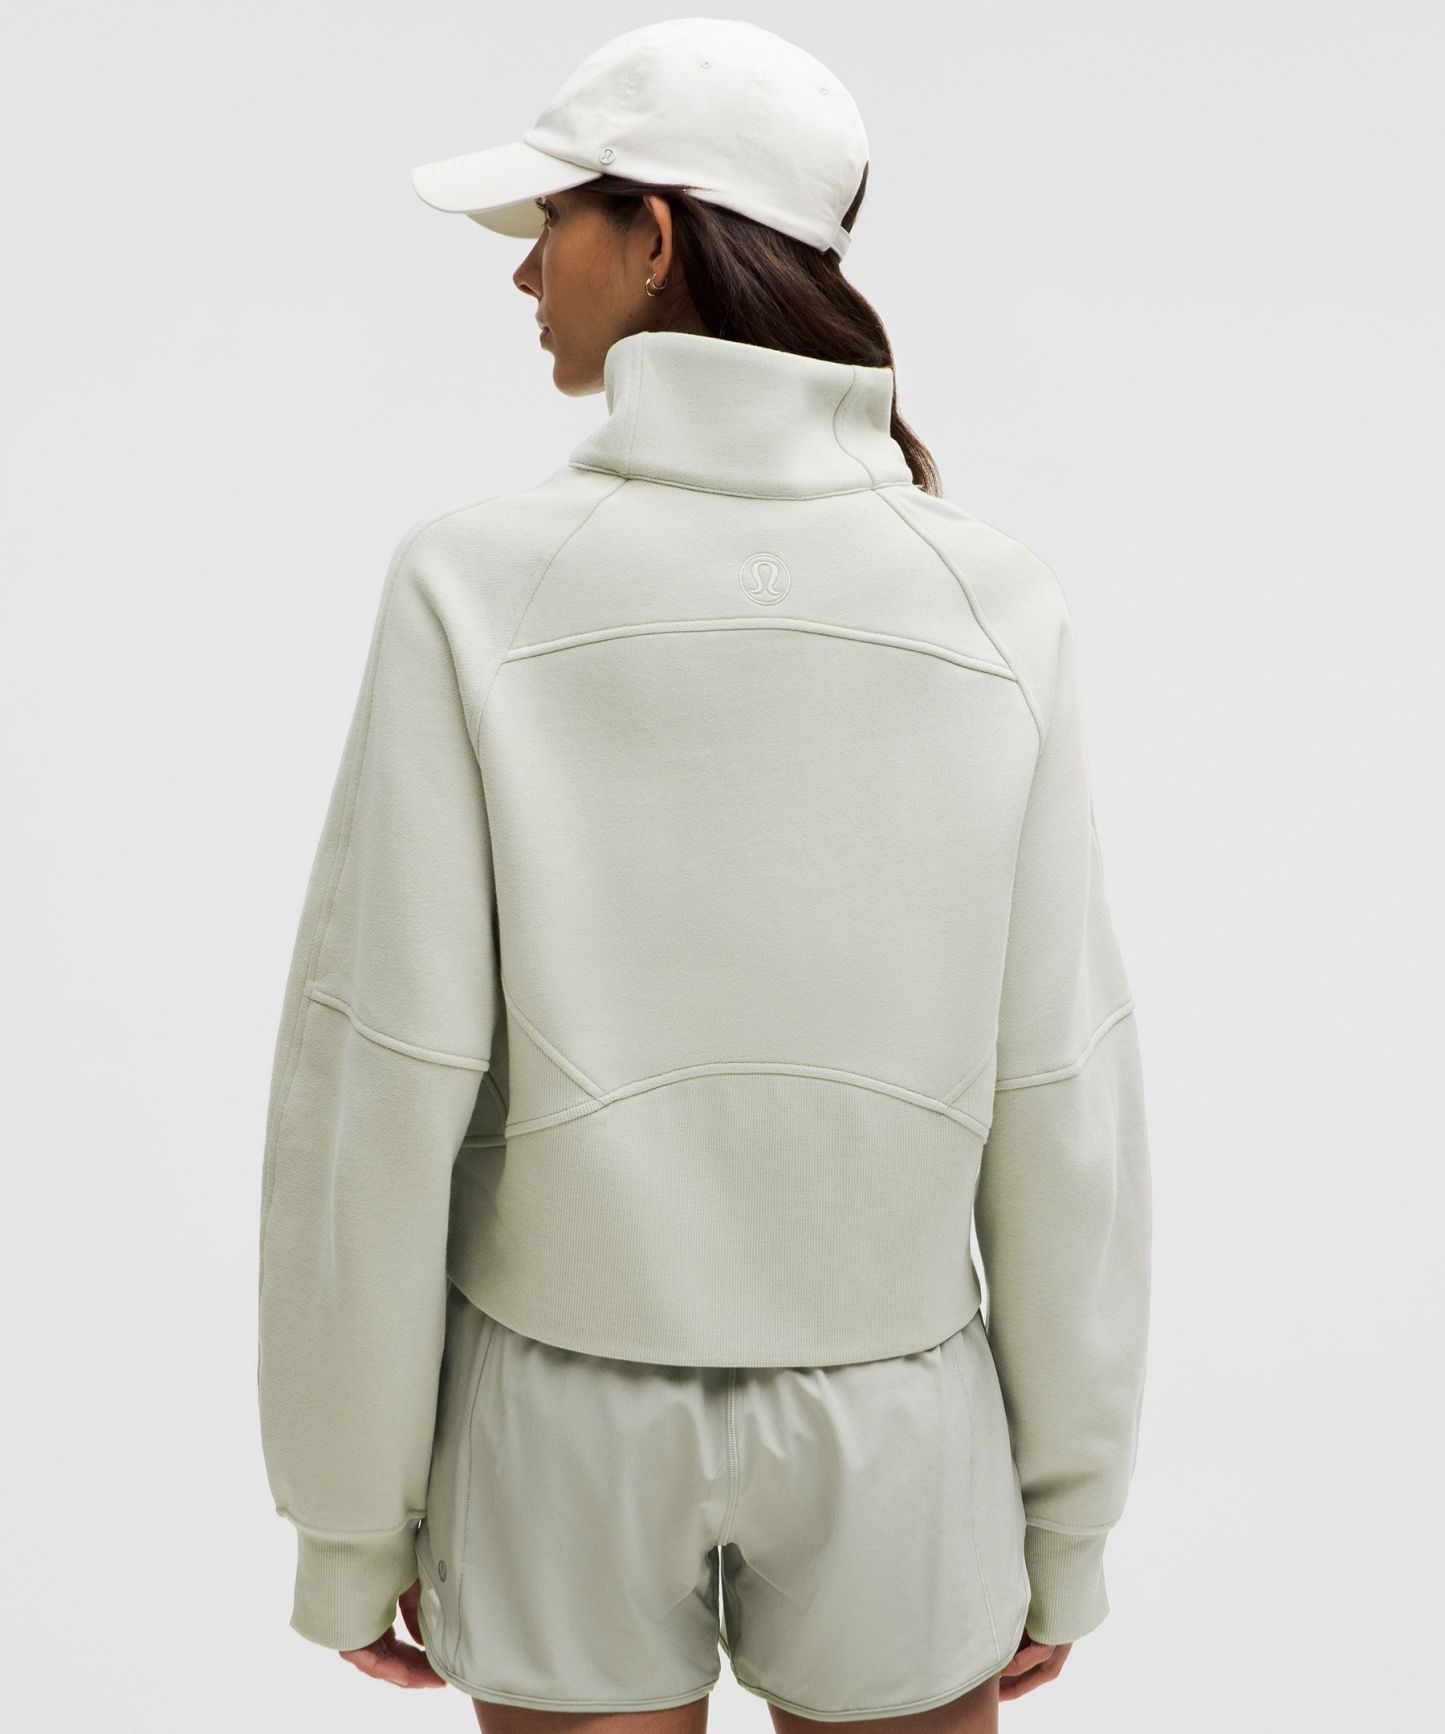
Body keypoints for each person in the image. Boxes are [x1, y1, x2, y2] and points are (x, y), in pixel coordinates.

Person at [255, 19, 1153, 1733]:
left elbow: (380, 1080)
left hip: (557, 1419)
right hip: (900, 1422)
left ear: (652, 235)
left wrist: (347, 1517)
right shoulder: (993, 599)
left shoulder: (473, 583)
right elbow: (1062, 1090)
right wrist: (1065, 1516)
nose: (524, 274)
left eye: (550, 224)